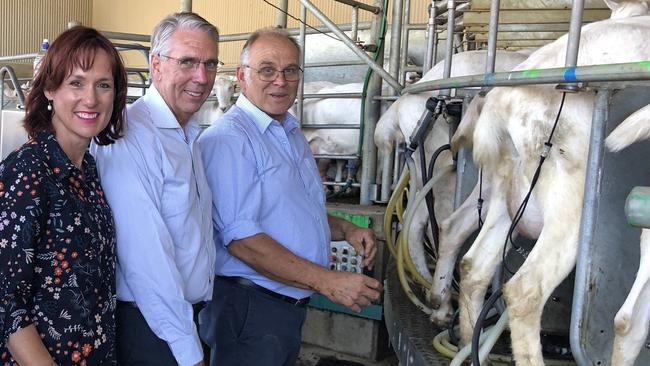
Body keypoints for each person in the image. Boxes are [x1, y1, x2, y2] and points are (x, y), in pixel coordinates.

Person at [198, 27, 383, 366]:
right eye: (267, 70)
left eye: (290, 71)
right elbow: (241, 240)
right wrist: (328, 281)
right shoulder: (229, 140)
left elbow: (291, 209)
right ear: (242, 76)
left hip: (284, 306)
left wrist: (344, 229)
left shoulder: (290, 131)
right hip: (249, 308)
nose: (280, 81)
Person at [91, 12, 219, 366]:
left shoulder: (188, 134)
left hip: (184, 318)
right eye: (188, 62)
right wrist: (187, 350)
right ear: (156, 64)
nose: (202, 77)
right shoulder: (130, 136)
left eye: (210, 63)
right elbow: (145, 257)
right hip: (151, 326)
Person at [0, 26, 127, 365]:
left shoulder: (89, 171)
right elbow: (6, 301)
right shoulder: (28, 170)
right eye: (76, 83)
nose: (91, 98)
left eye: (103, 85)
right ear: (51, 89)